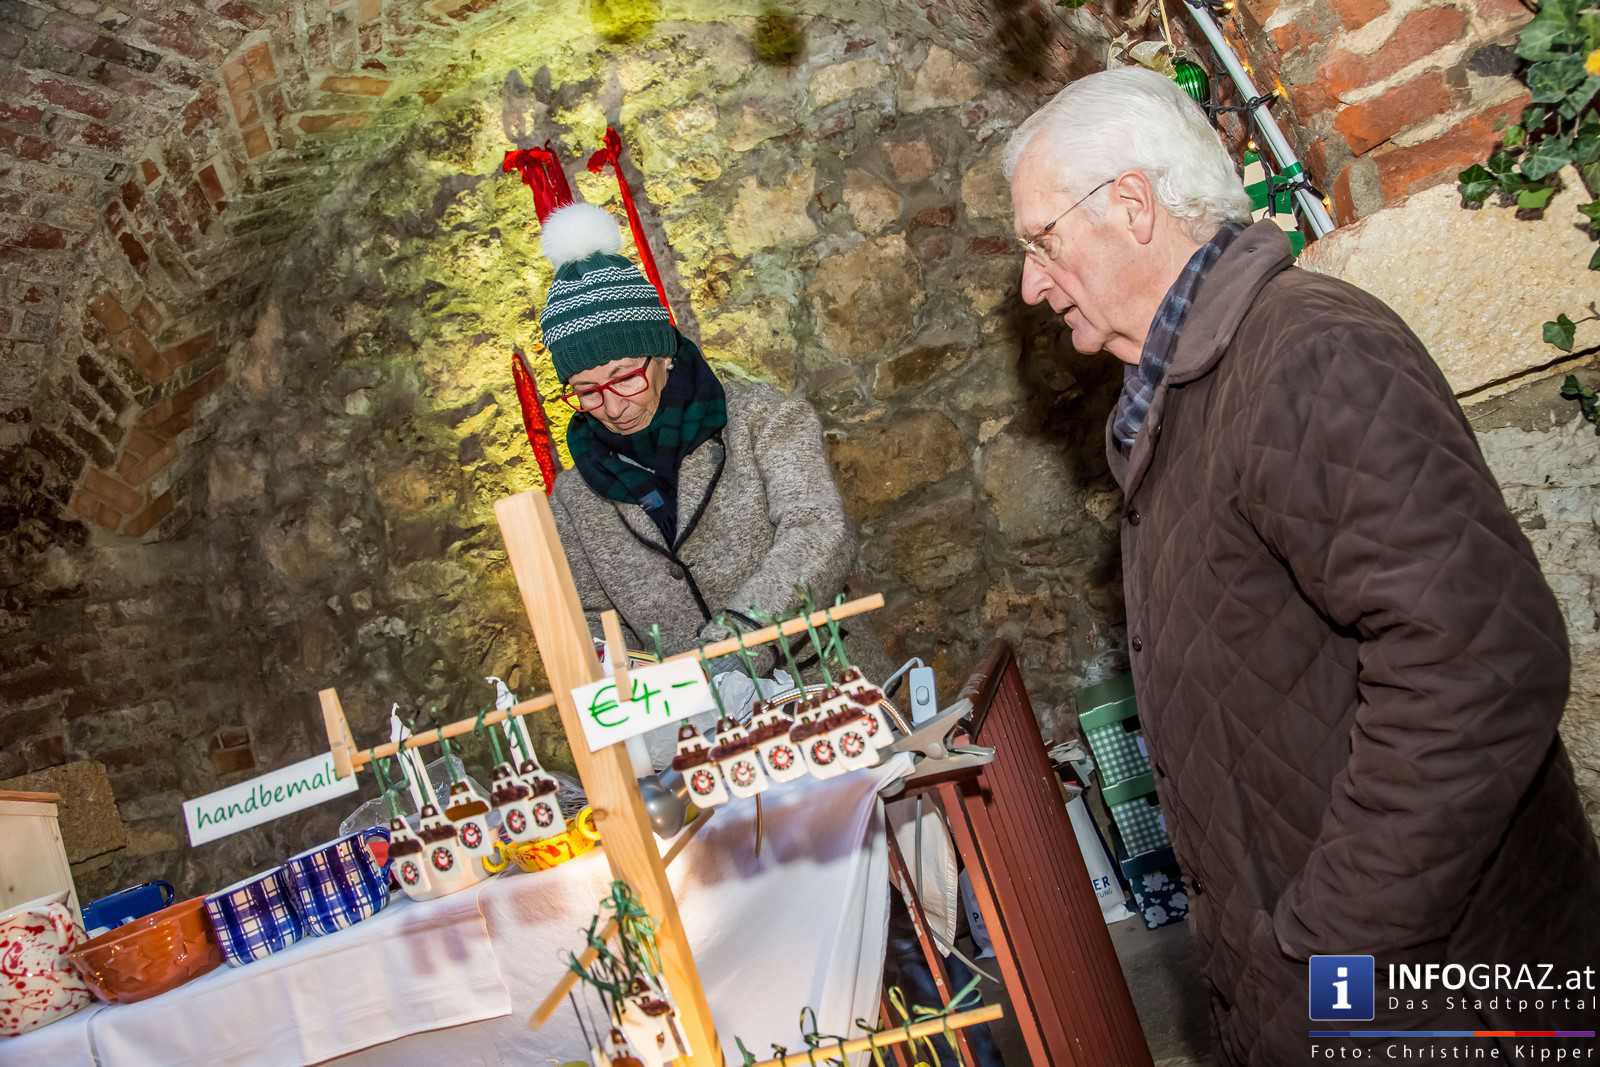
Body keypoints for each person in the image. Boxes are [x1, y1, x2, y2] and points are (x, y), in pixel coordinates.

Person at [1003, 67, 1600, 1065]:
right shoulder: (1188, 396)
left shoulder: (1306, 355)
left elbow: (1480, 664)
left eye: (1039, 240)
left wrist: (1327, 947)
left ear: (1131, 207)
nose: (1030, 282)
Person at [533, 201, 1003, 1065]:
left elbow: (818, 534)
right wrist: (645, 695)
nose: (611, 403)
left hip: (825, 706)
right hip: (708, 754)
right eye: (586, 391)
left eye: (625, 376)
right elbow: (599, 627)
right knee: (772, 956)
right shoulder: (573, 499)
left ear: (660, 348)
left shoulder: (761, 418)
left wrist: (733, 639)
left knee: (897, 931)